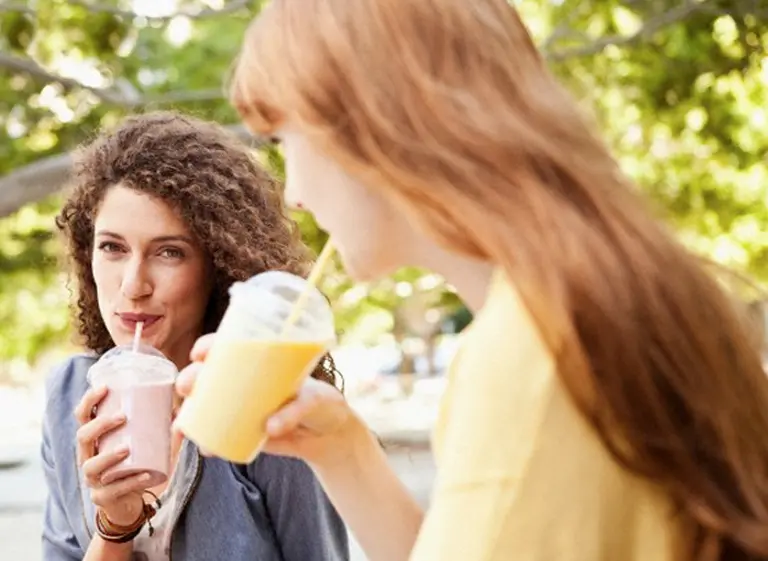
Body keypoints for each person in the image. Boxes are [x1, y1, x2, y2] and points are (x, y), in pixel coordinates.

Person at [175, 1, 768, 560]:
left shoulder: (530, 353)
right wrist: (341, 449)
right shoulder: (590, 295)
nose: (296, 197)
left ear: (372, 128)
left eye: (283, 139)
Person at [43, 112, 349, 561]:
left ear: (218, 265)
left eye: (169, 252)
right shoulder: (70, 391)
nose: (133, 285)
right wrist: (115, 528)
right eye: (112, 247)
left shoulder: (271, 402)